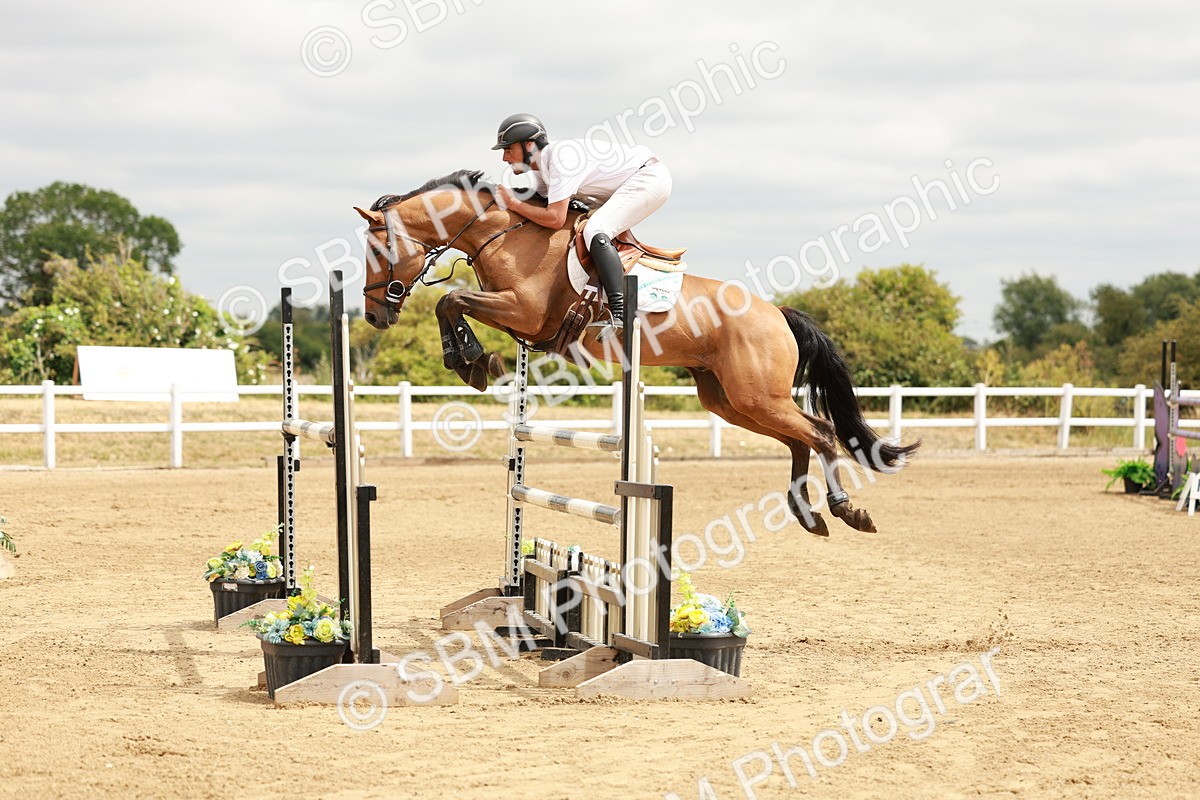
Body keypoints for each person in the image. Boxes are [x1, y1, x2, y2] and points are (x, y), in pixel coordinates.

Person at [491, 113, 672, 330]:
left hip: (648, 178)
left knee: (595, 230)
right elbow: (538, 203)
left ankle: (621, 312)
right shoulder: (542, 168)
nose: (504, 158)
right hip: (628, 182)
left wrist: (512, 203)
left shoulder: (561, 159)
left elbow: (555, 218)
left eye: (508, 149)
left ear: (529, 145)